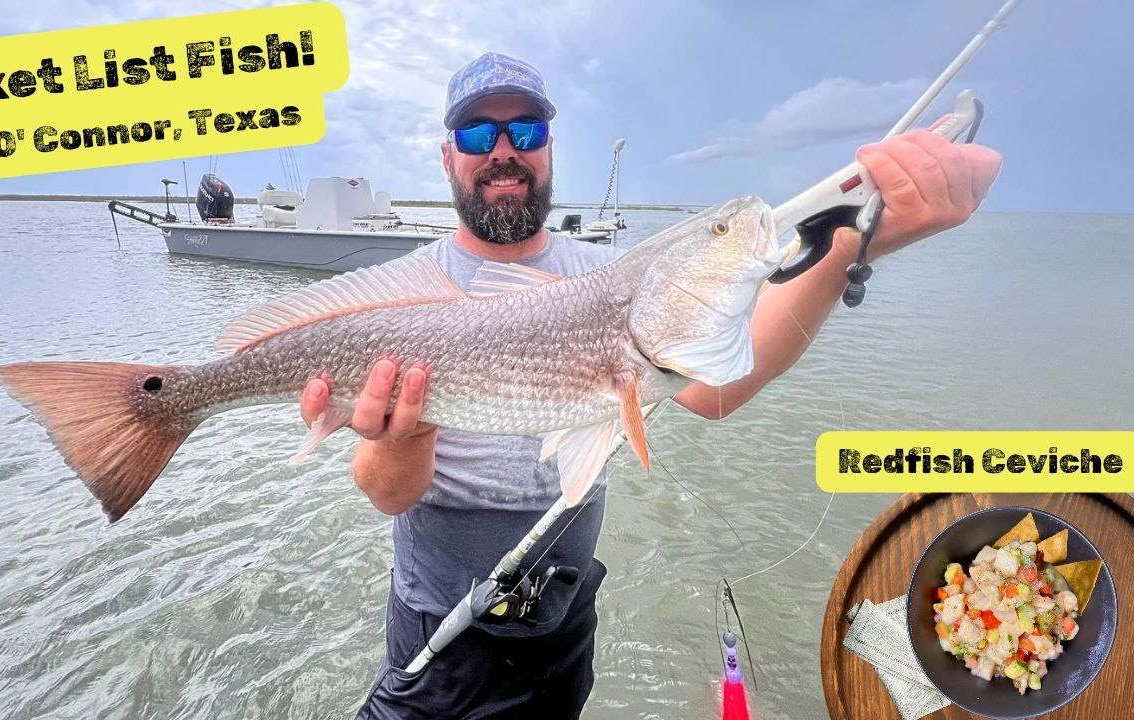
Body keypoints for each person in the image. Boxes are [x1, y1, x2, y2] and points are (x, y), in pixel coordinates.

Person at [300, 52, 1001, 719]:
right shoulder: (400, 300)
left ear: (548, 147)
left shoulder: (617, 273)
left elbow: (714, 389)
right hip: (438, 623)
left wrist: (850, 243)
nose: (503, 148)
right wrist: (408, 432)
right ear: (447, 155)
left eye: (527, 129)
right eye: (479, 131)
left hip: (563, 613)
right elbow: (388, 492)